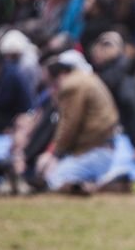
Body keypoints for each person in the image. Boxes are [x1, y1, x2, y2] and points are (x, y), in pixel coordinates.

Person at [41, 52, 119, 194]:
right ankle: (104, 183)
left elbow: (69, 125)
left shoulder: (72, 85)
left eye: (51, 84)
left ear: (60, 75)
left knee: (54, 179)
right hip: (104, 148)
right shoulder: (88, 79)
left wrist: (53, 154)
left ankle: (100, 184)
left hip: (94, 151)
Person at [89, 31, 135, 147]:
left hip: (118, 136)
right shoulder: (93, 71)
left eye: (107, 45)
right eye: (99, 44)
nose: (100, 49)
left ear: (120, 49)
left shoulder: (123, 79)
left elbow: (133, 113)